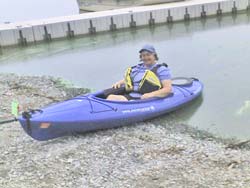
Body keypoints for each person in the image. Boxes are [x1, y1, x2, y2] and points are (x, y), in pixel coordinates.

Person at [106, 44, 172, 101]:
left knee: (111, 97)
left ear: (154, 55)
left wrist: (150, 95)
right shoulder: (138, 68)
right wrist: (119, 82)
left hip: (140, 96)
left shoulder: (161, 70)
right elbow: (130, 78)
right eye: (143, 55)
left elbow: (168, 89)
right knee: (104, 94)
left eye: (148, 55)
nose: (145, 57)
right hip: (130, 92)